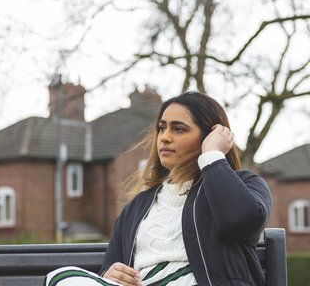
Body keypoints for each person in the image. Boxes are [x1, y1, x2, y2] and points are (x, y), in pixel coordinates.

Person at [45, 91, 272, 286]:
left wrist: (212, 155)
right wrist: (110, 273)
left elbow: (242, 223)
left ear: (208, 136)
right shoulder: (138, 206)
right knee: (61, 277)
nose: (164, 137)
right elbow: (112, 264)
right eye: (162, 128)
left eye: (179, 129)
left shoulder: (245, 184)